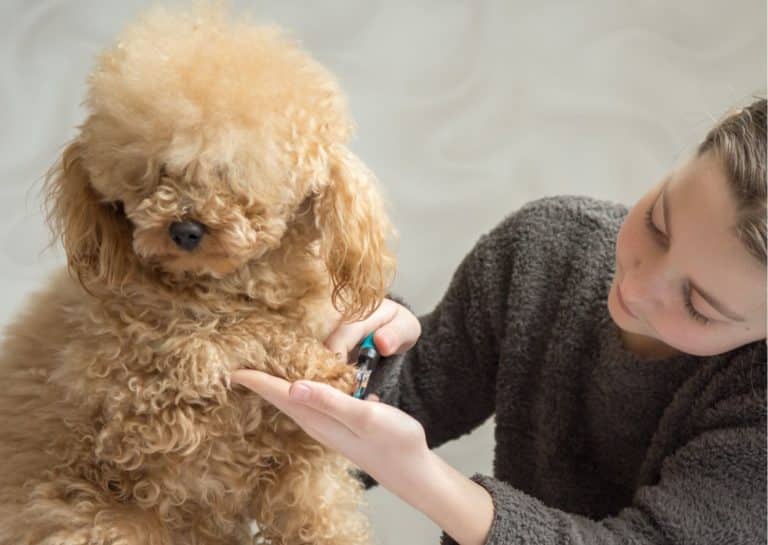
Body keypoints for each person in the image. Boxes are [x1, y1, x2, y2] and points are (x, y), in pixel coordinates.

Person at [232, 97, 767, 545]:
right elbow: (368, 435)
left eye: (699, 304)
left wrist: (423, 479)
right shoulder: (547, 252)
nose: (639, 286)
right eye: (657, 224)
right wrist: (367, 348)